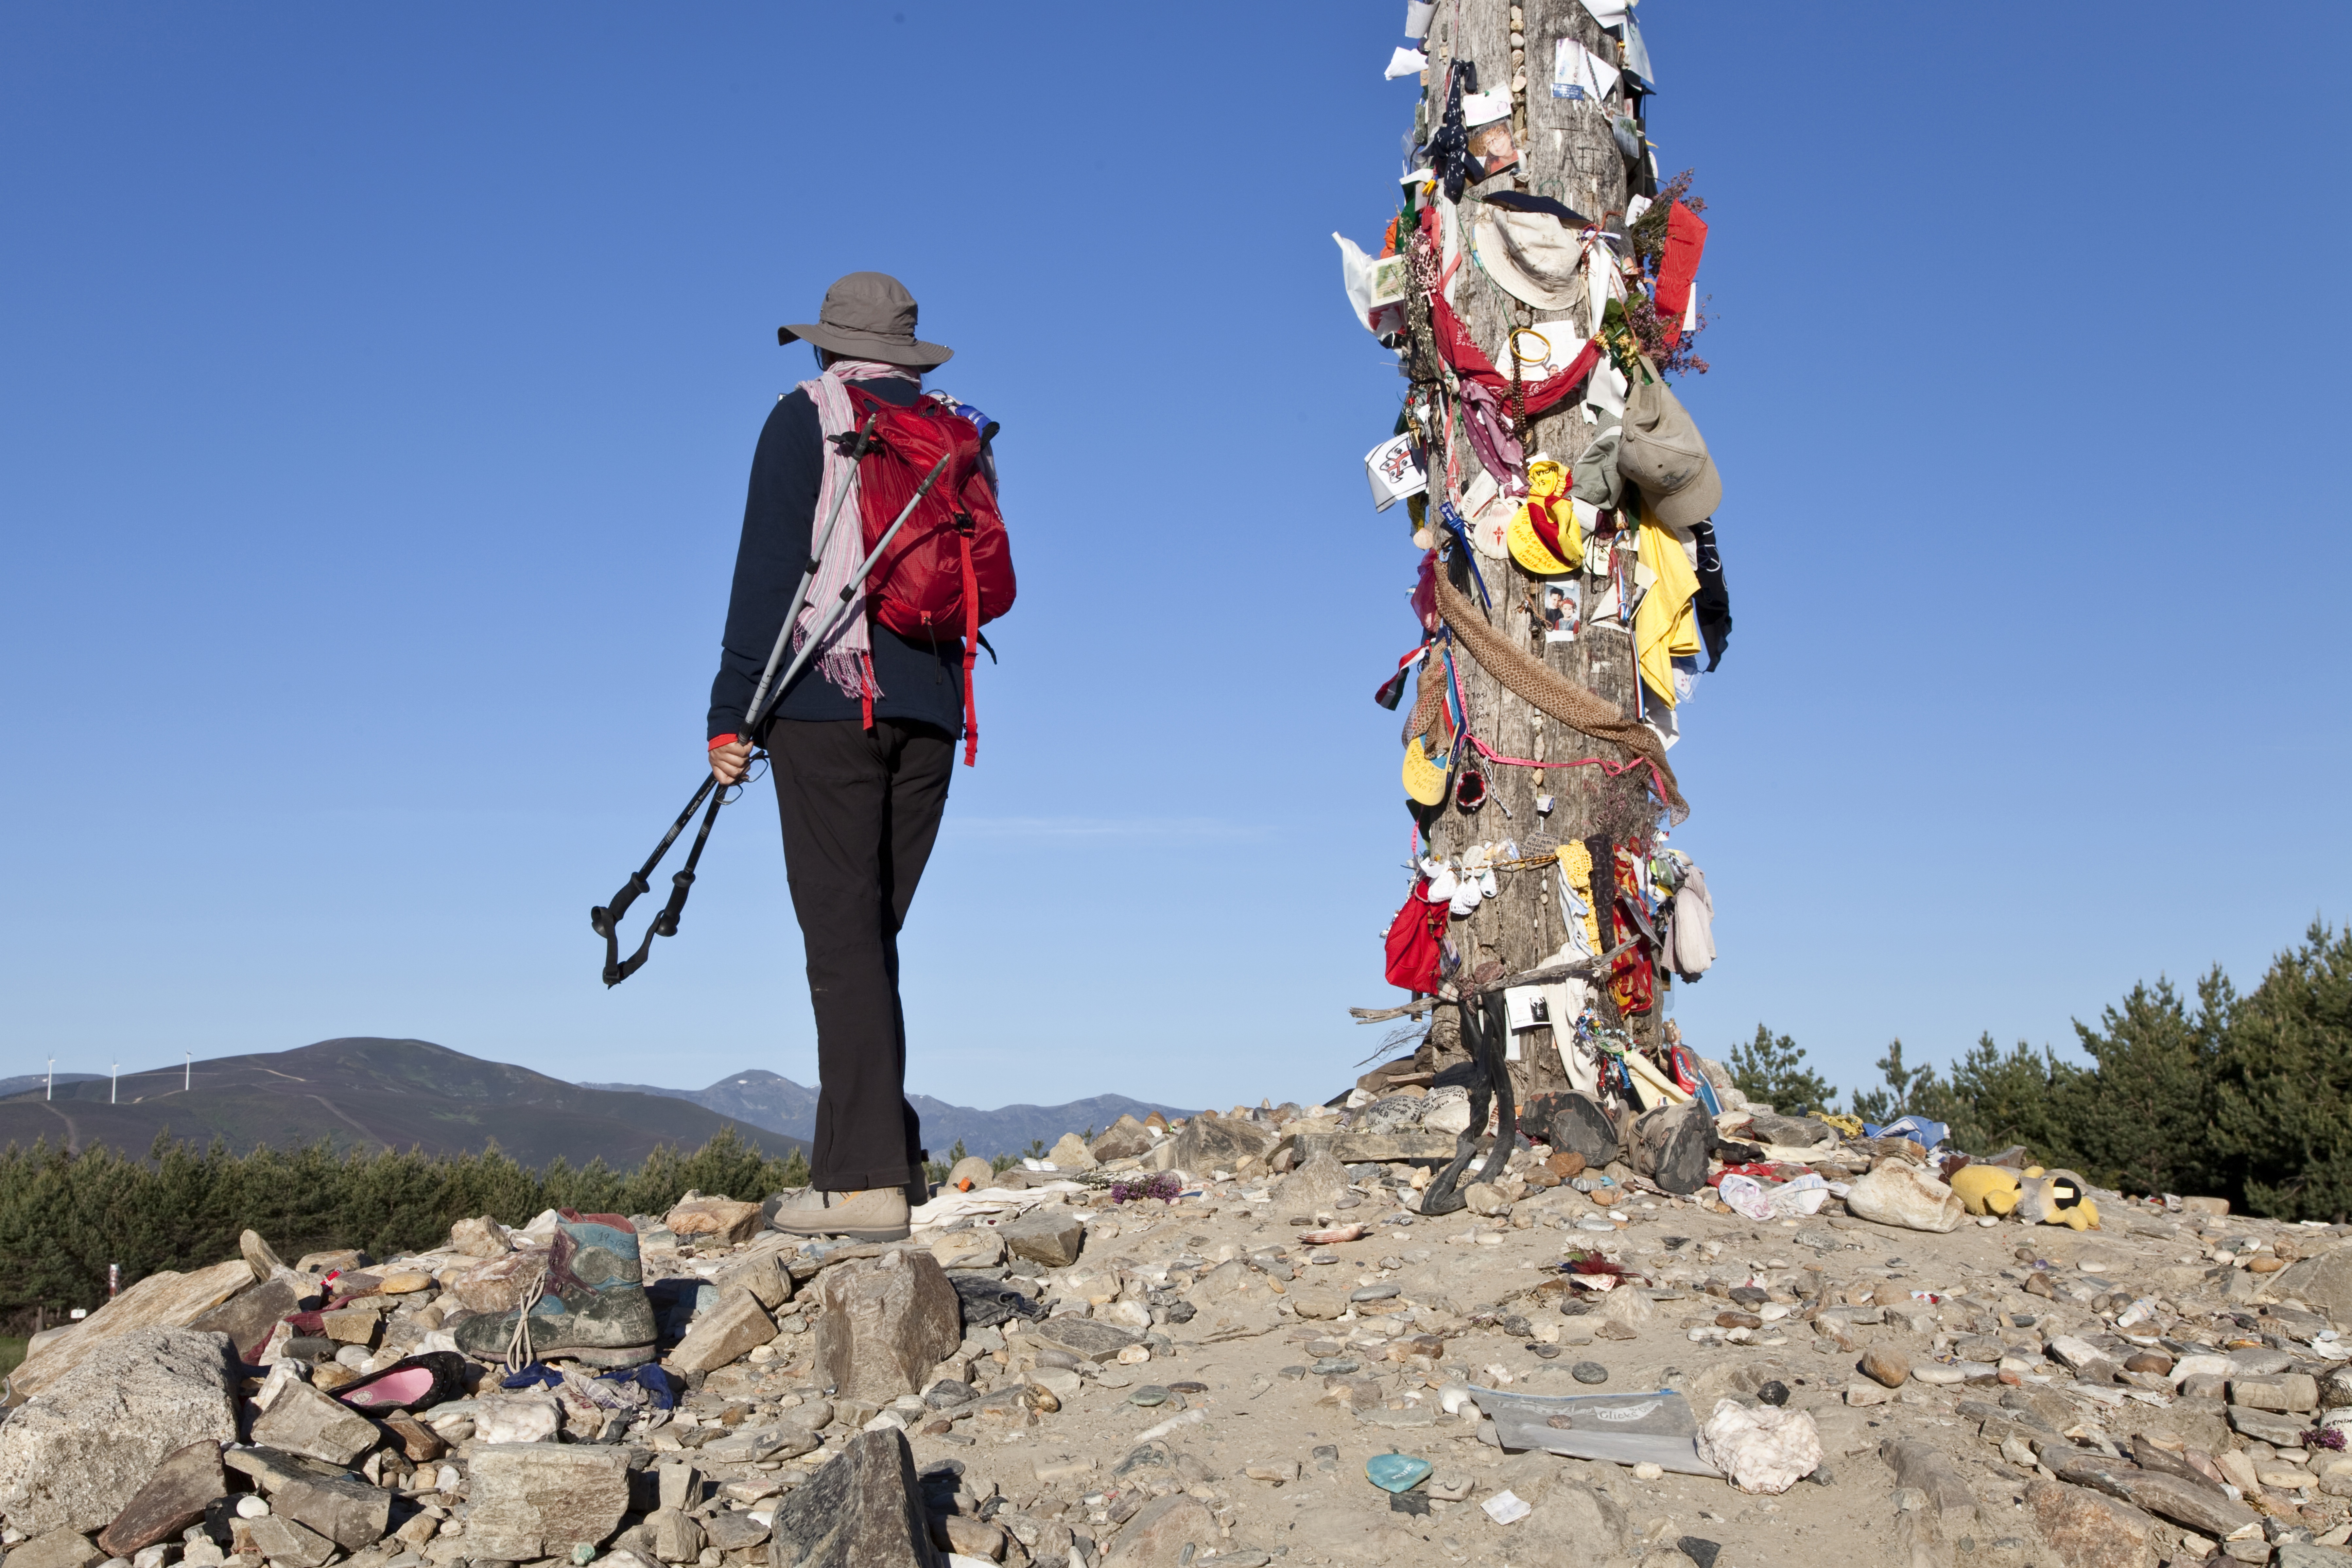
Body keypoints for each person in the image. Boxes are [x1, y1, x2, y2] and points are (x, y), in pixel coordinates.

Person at [704, 272, 973, 1244]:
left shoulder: (803, 419)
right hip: (937, 712)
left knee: (843, 942)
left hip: (829, 702)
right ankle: (875, 1158)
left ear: (828, 346)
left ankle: (863, 1186)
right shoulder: (952, 431)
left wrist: (730, 715)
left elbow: (768, 573)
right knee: (868, 934)